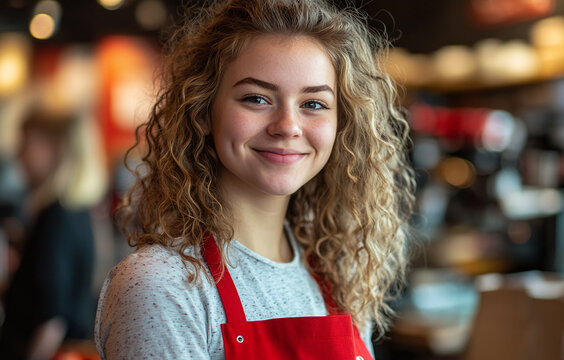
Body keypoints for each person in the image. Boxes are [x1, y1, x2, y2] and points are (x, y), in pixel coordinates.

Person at [94, 0, 415, 358]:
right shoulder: (162, 285)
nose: (288, 126)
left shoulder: (340, 277)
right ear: (202, 111)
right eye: (257, 98)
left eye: (313, 104)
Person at [0, 110, 96, 360]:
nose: (19, 154)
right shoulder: (77, 211)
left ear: (56, 149)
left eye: (27, 143)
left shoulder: (57, 216)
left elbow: (52, 319)